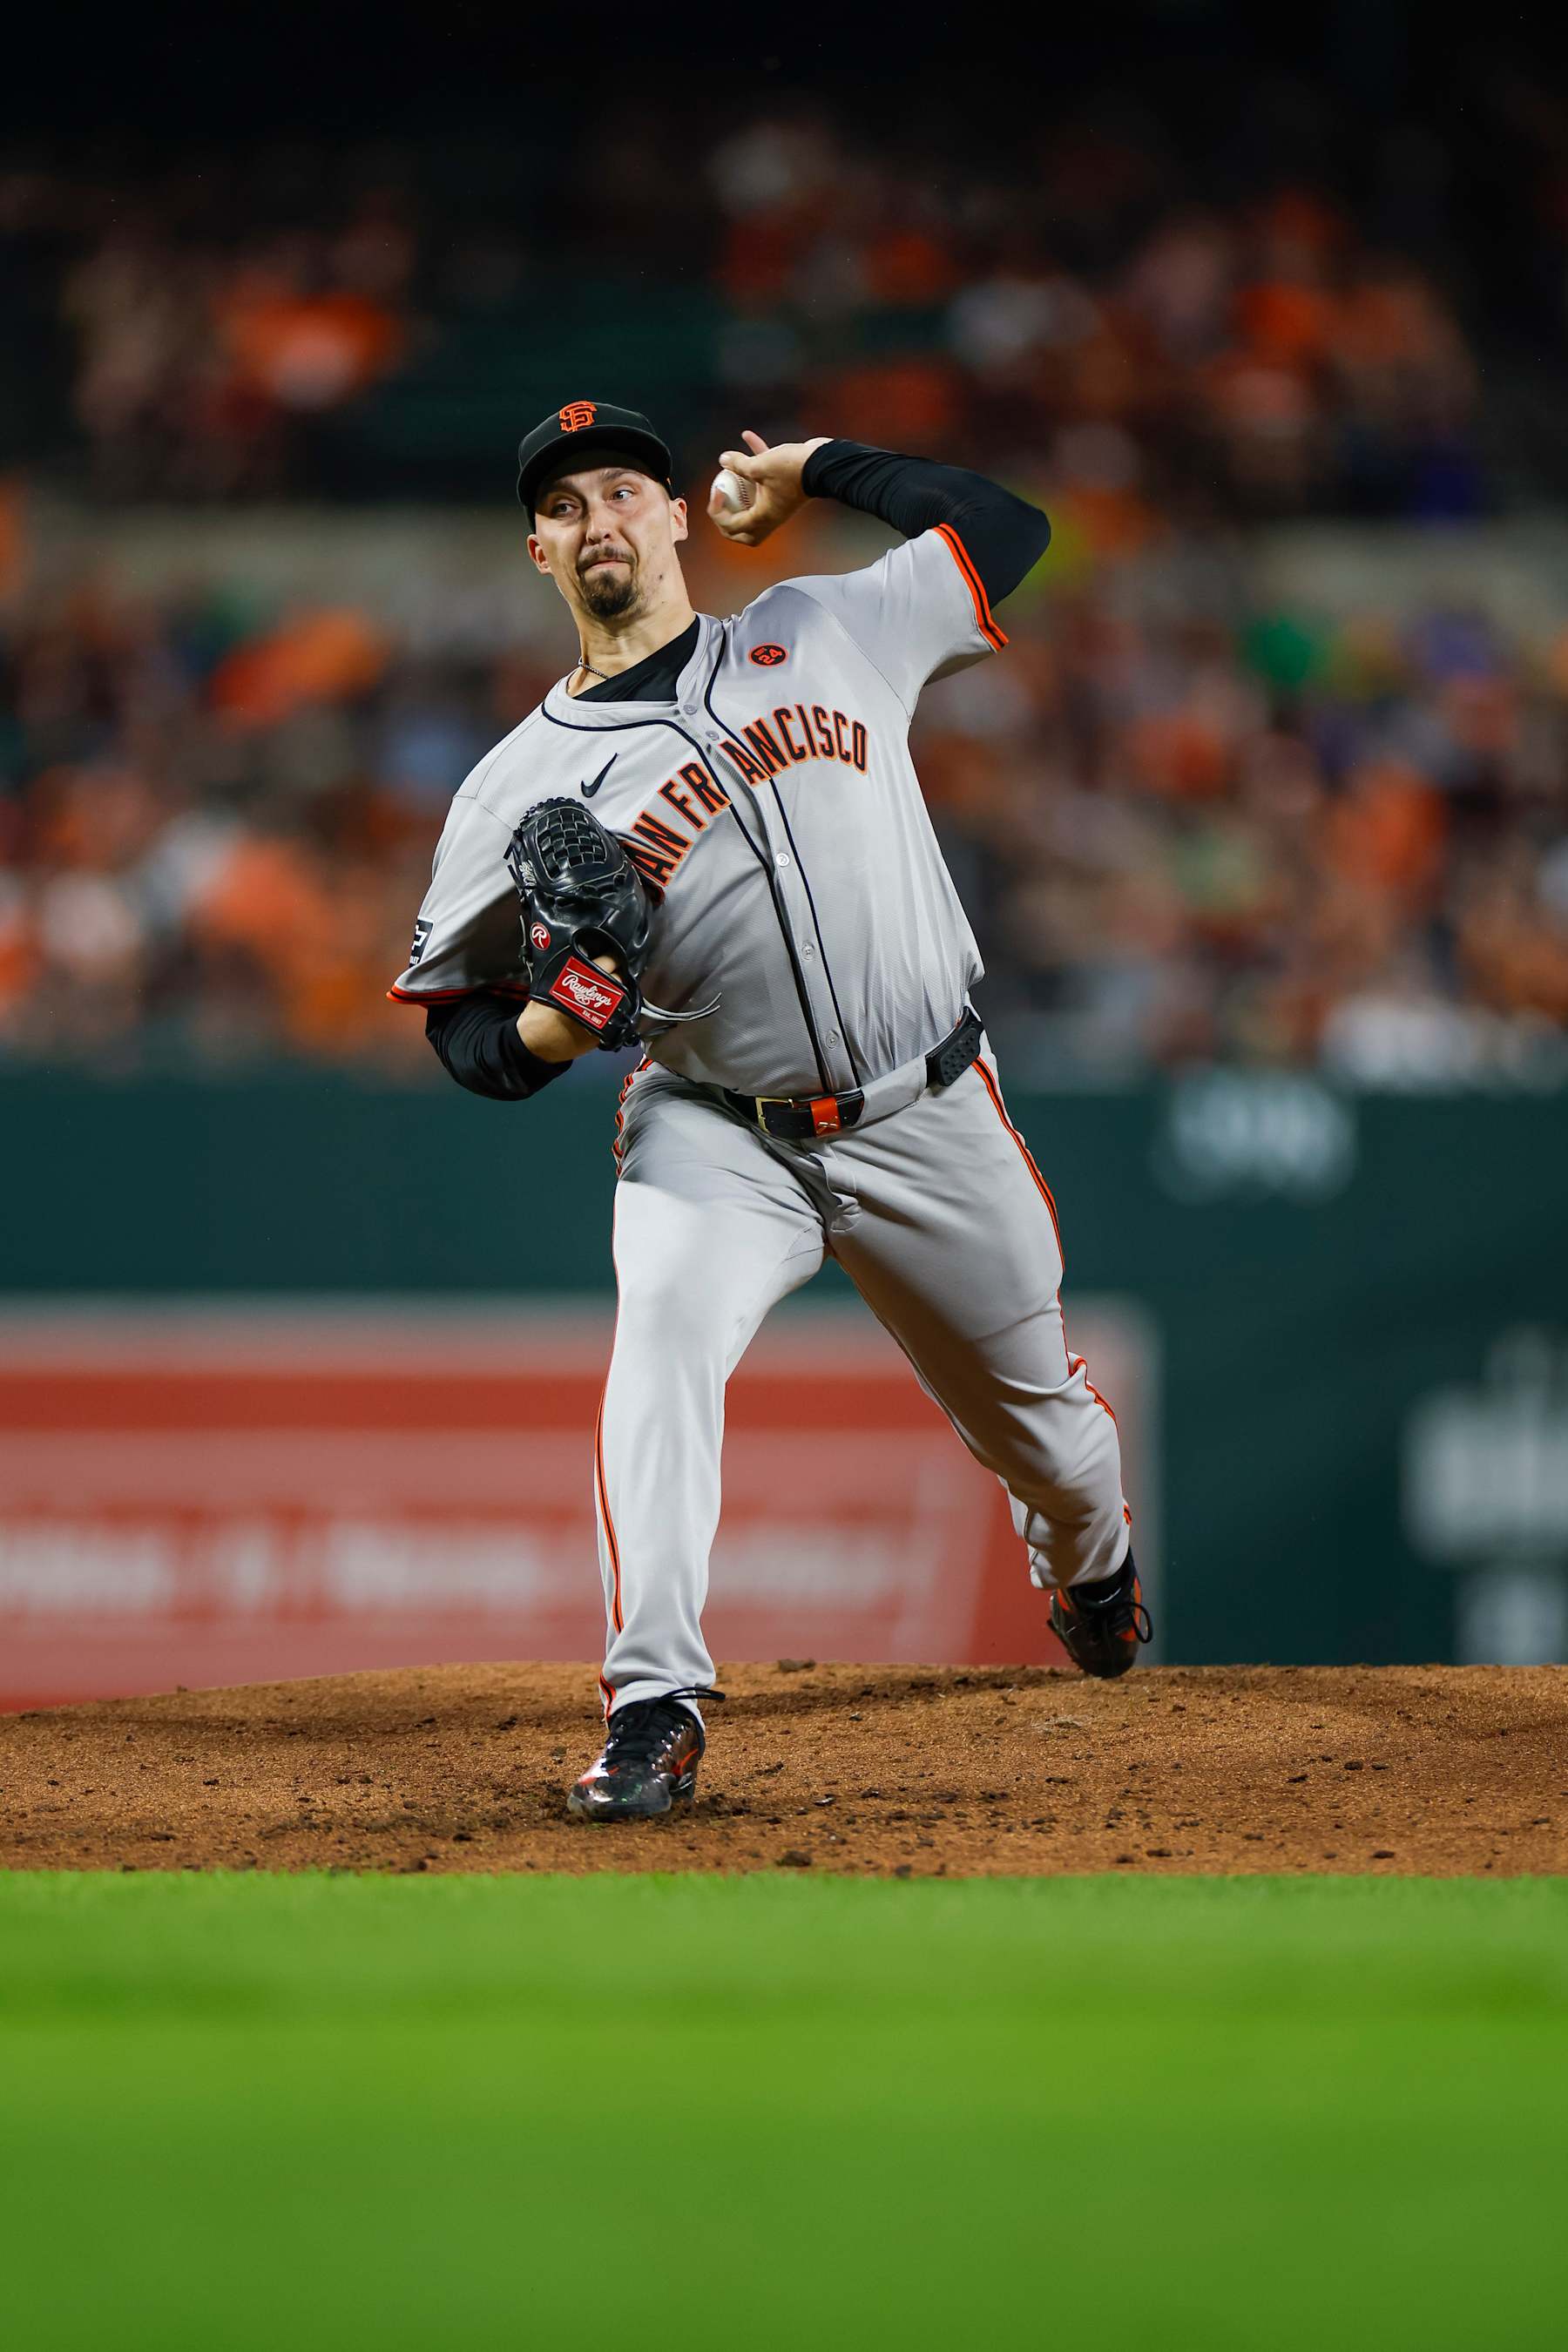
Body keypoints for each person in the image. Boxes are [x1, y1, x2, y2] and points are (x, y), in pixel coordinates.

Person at [389, 399, 1150, 1821]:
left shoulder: (825, 627)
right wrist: (556, 1023)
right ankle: (652, 1704)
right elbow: (466, 1034)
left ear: (675, 516)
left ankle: (1089, 1571)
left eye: (625, 488)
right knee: (661, 1348)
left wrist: (813, 471)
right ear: (538, 551)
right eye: (568, 505)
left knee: (1049, 1439)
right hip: (717, 1128)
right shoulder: (511, 788)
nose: (600, 516)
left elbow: (1010, 530)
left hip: (928, 1104)